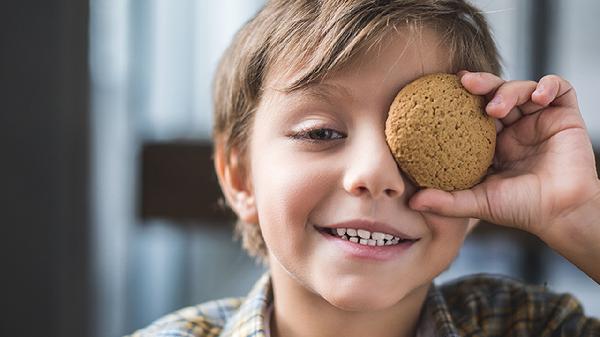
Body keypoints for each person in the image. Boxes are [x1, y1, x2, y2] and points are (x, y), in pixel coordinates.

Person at [129, 0, 600, 336]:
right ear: (239, 176)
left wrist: (581, 218)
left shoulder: (532, 325)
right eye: (321, 133)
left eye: (427, 141)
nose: (374, 174)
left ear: (482, 166)